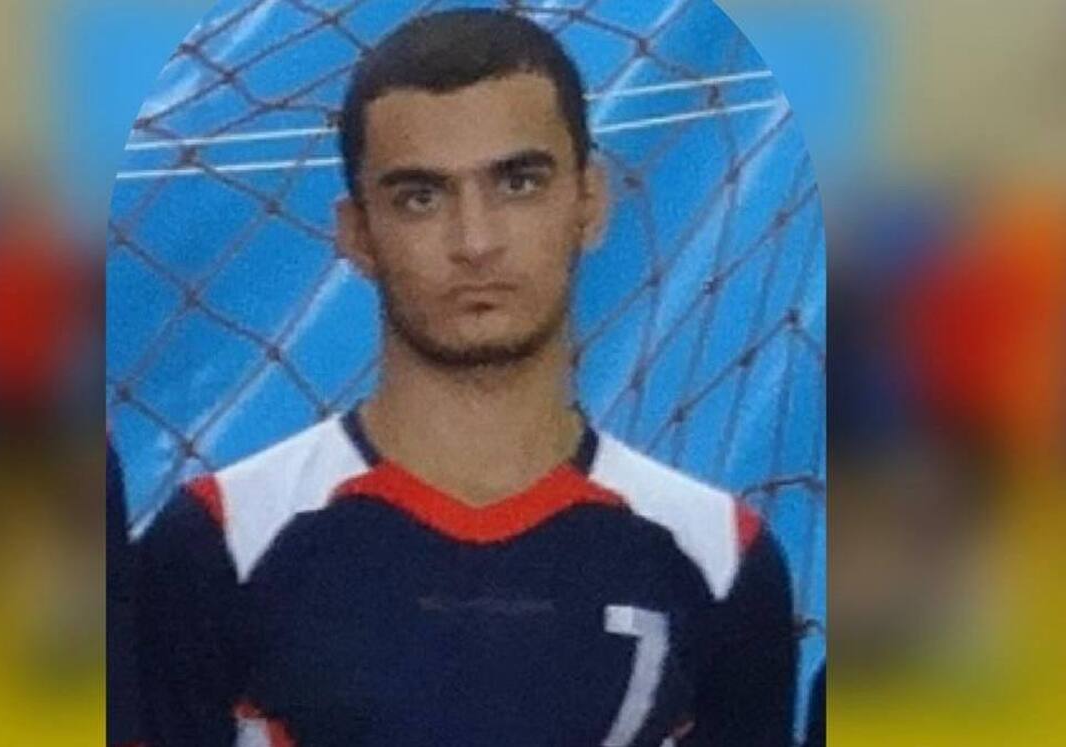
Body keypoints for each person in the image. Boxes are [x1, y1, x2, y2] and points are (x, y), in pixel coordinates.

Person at [135, 9, 796, 746]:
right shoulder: (219, 541)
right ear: (357, 233)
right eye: (421, 196)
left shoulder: (720, 558)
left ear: (590, 201)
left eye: (519, 182)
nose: (475, 241)